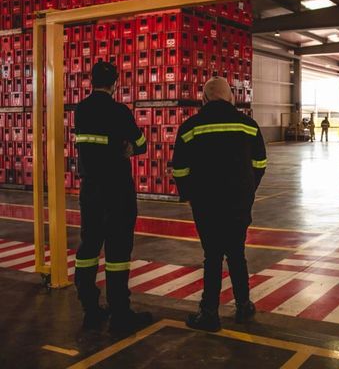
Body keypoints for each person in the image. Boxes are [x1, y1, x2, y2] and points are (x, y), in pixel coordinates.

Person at [172, 76, 266, 332]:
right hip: (238, 202)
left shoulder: (190, 127)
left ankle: (209, 312)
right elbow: (259, 163)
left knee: (212, 255)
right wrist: (249, 189)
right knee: (236, 253)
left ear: (204, 99)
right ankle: (244, 306)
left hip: (207, 203)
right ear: (231, 97)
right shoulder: (248, 125)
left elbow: (179, 168)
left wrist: (188, 193)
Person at [74, 62, 152, 332]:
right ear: (115, 83)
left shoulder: (81, 110)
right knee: (118, 251)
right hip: (117, 190)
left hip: (90, 189)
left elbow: (89, 145)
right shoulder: (119, 111)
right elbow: (141, 144)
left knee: (88, 247)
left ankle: (90, 308)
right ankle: (120, 312)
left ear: (91, 81)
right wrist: (124, 146)